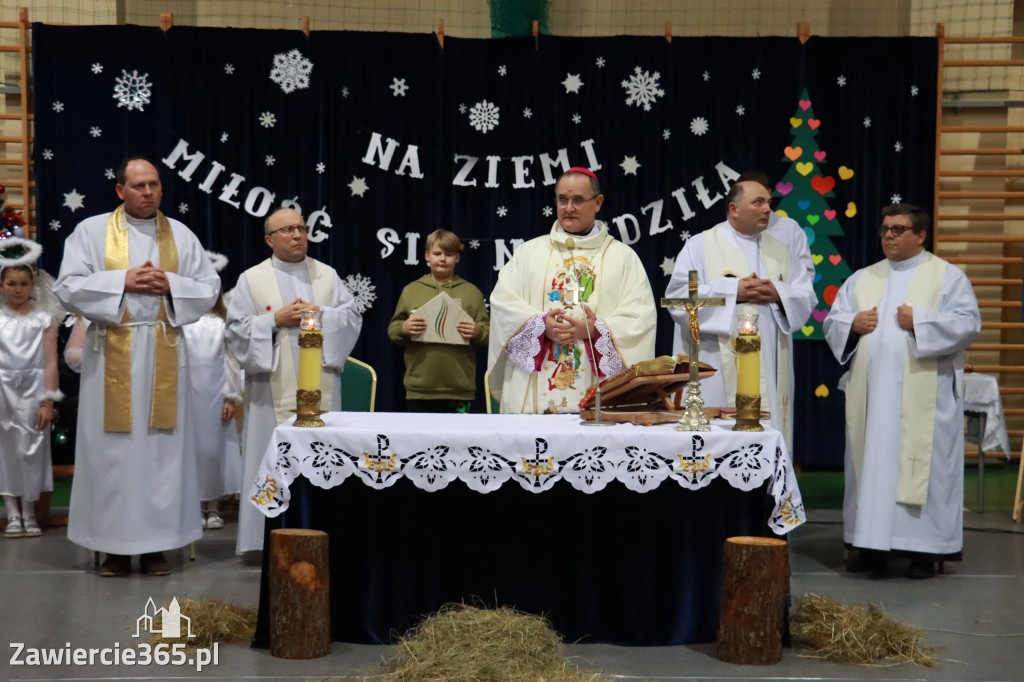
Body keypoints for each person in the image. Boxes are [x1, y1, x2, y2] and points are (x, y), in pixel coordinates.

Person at [53, 156, 220, 576]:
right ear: (120, 190)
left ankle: (157, 546)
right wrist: (122, 281)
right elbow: (67, 287)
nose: (148, 192)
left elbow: (208, 288)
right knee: (113, 452)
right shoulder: (90, 231)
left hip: (164, 349)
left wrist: (171, 284)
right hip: (110, 351)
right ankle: (111, 547)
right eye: (139, 185)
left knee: (163, 451)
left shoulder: (180, 234)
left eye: (154, 185)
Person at [823, 203, 980, 579]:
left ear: (920, 235)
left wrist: (920, 320)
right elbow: (834, 322)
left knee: (921, 470)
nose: (888, 236)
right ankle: (869, 545)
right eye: (884, 230)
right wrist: (852, 325)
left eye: (897, 229)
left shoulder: (947, 276)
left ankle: (924, 552)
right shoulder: (863, 278)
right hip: (873, 399)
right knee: (871, 468)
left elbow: (968, 324)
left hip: (925, 398)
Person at [226, 206, 362, 554]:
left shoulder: (327, 275)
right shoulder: (252, 279)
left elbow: (351, 319)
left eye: (301, 227)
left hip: (321, 389)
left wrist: (319, 315)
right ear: (269, 239)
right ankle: (264, 540)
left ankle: (321, 533)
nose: (298, 235)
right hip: (269, 393)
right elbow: (236, 330)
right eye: (287, 230)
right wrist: (274, 321)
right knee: (268, 458)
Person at [487, 167, 657, 414]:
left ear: (598, 203)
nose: (568, 208)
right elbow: (503, 303)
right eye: (562, 200)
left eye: (578, 200)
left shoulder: (623, 257)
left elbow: (640, 319)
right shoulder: (529, 253)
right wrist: (539, 324)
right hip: (532, 395)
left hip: (601, 393)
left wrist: (593, 330)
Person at [666, 180, 817, 446]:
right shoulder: (700, 245)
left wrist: (778, 293)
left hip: (768, 362)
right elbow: (678, 298)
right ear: (734, 209)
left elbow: (806, 295)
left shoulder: (779, 250)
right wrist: (734, 290)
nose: (767, 209)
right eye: (758, 202)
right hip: (715, 367)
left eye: (769, 203)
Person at [388, 229, 489, 412]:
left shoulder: (472, 293)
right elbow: (393, 330)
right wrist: (404, 328)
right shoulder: (411, 290)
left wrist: (478, 331)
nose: (442, 259)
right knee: (420, 440)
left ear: (457, 258)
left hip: (460, 389)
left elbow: (489, 334)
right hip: (419, 389)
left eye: (449, 254)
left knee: (459, 440)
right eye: (437, 254)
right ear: (427, 256)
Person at [0, 241, 62, 539]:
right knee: (6, 448)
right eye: (11, 283)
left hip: (34, 389)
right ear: (1, 285)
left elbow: (50, 363)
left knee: (32, 449)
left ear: (31, 285)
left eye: (23, 283)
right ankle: (11, 512)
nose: (17, 289)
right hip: (2, 390)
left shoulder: (43, 319)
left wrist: (48, 402)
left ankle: (29, 511)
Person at [184, 287, 242, 530]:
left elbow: (231, 362)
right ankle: (193, 505)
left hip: (215, 398)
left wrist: (230, 397)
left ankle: (213, 506)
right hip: (187, 397)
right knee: (190, 450)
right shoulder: (181, 323)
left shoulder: (222, 325)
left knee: (213, 449)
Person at [735, 170, 815, 280]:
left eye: (758, 199)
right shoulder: (725, 231)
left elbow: (806, 273)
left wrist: (779, 291)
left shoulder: (790, 228)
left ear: (769, 194)